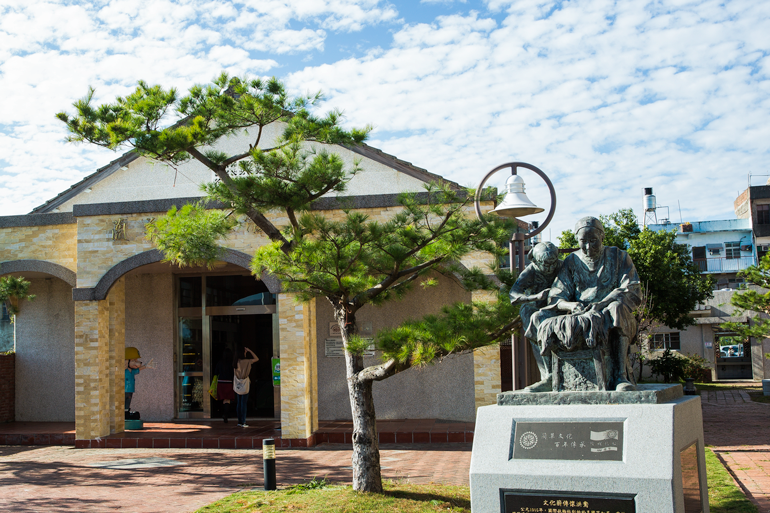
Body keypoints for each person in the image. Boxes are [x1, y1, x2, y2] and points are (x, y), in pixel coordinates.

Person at [530, 216, 642, 391]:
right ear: (577, 240)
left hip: (609, 310)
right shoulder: (572, 261)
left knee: (616, 309)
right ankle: (549, 376)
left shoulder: (619, 256)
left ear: (602, 238)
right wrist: (571, 306)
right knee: (538, 317)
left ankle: (620, 377)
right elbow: (557, 294)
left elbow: (631, 288)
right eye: (584, 241)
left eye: (593, 241)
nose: (588, 247)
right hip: (578, 311)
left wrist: (602, 304)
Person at [509, 241, 562, 392]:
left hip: (559, 308)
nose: (550, 268)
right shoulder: (530, 271)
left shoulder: (562, 266)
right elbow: (513, 295)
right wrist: (535, 297)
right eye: (545, 264)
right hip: (534, 310)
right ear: (535, 260)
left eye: (553, 263)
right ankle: (548, 376)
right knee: (539, 334)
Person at [233, 343, 259, 428]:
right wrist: (250, 350)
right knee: (243, 403)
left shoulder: (235, 362)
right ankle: (243, 421)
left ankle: (239, 421)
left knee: (239, 403)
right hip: (245, 382)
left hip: (237, 383)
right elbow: (256, 358)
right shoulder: (247, 361)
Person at [125, 346, 153, 417]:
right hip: (124, 390)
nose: (137, 363)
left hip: (130, 390)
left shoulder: (132, 371)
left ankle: (126, 412)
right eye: (134, 360)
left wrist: (145, 366)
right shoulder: (124, 371)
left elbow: (138, 369)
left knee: (128, 402)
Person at [214, 347, 235, 423]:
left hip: (221, 382)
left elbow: (216, 372)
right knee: (227, 399)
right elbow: (233, 374)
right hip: (229, 383)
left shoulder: (220, 362)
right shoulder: (231, 363)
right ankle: (226, 414)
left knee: (223, 399)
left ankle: (224, 413)